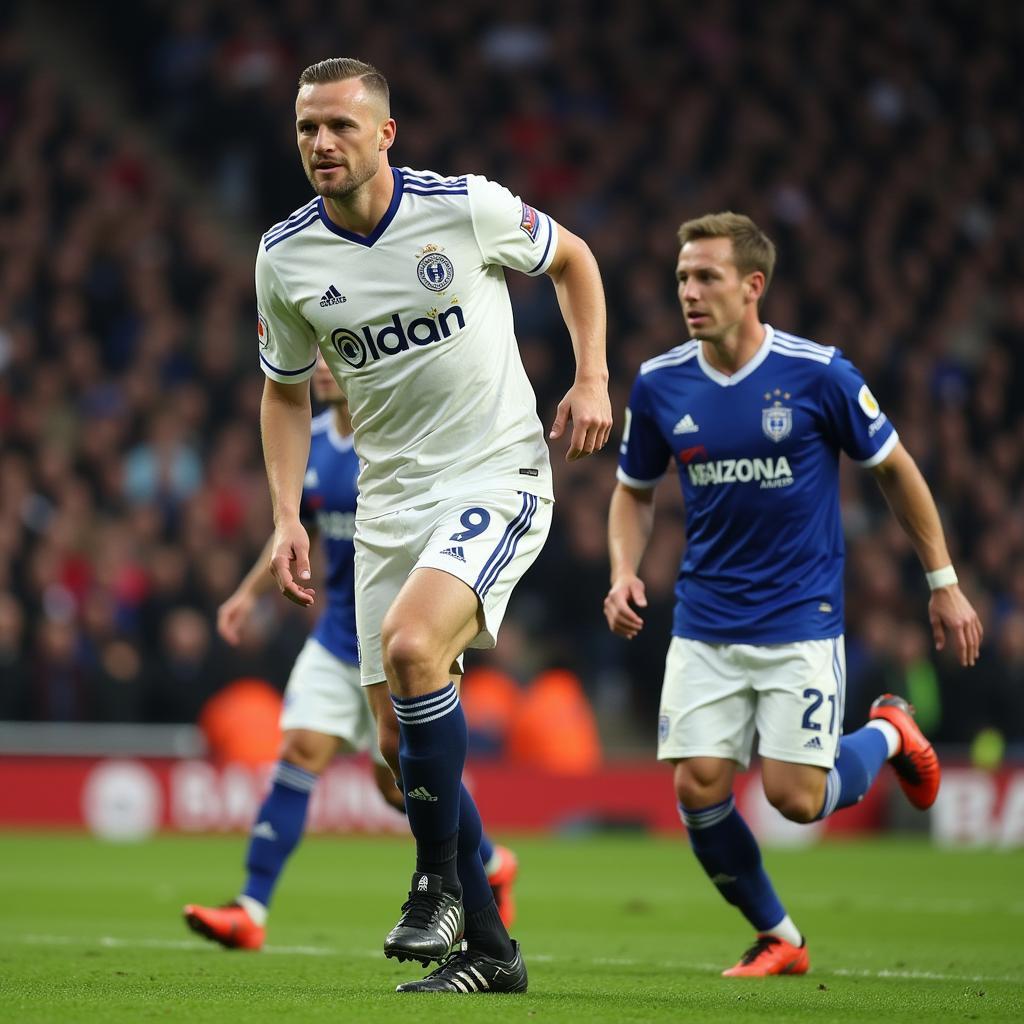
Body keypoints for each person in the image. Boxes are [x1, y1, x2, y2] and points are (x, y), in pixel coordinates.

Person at [256, 58, 611, 994]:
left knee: (416, 651)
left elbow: (574, 258)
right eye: (306, 130)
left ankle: (435, 884)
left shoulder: (465, 208)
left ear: (385, 133)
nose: (322, 144)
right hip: (389, 504)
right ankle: (493, 955)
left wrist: (591, 377)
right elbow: (284, 394)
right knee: (393, 745)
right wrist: (285, 512)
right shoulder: (285, 257)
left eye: (339, 126)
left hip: (496, 474)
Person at [604, 212, 982, 977]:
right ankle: (781, 935)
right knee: (698, 785)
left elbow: (896, 469)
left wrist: (943, 582)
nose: (689, 291)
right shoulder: (659, 382)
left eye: (706, 276)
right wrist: (623, 568)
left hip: (799, 619)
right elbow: (632, 490)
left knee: (797, 801)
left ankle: (888, 734)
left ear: (753, 287)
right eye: (682, 277)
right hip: (706, 618)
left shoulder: (820, 374)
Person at [182, 355, 519, 951]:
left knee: (399, 781)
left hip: (389, 642)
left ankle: (488, 863)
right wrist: (245, 595)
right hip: (336, 637)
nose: (323, 372)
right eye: (314, 362)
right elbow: (290, 532)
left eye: (334, 360)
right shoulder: (308, 444)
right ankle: (251, 908)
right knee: (299, 749)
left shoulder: (395, 443)